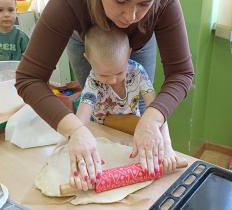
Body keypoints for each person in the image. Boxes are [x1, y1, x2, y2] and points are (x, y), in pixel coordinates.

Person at [15, 0, 194, 188]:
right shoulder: (68, 4)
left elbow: (180, 73)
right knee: (97, 113)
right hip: (90, 41)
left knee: (143, 119)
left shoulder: (165, 5)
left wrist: (156, 125)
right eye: (121, 1)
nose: (131, 16)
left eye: (144, 3)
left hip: (140, 39)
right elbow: (29, 78)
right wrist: (75, 131)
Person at [71, 24, 181, 189]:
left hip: (131, 135)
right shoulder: (93, 79)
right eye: (104, 75)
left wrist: (167, 146)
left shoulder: (138, 72)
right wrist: (80, 145)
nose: (113, 80)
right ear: (88, 59)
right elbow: (82, 117)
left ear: (129, 53)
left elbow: (158, 110)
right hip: (103, 135)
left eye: (119, 72)